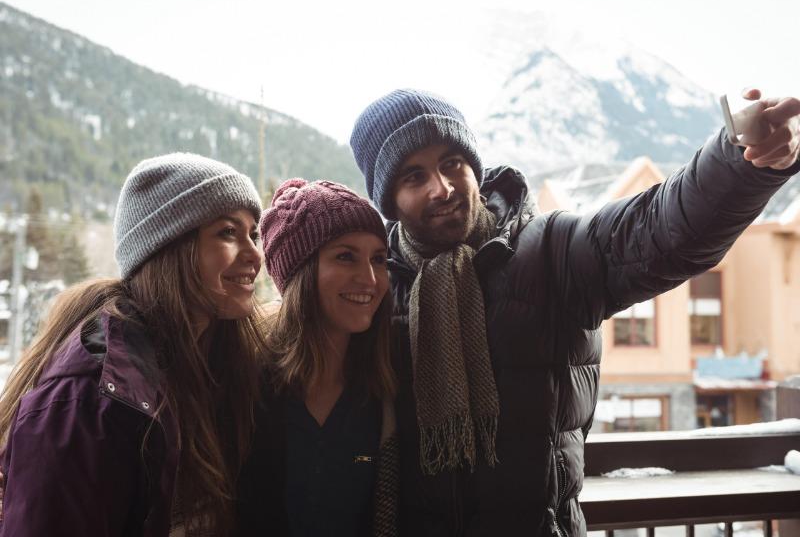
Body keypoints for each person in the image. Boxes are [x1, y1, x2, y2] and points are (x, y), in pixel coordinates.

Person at [348, 87, 800, 536]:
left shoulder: (550, 252)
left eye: (452, 163)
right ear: (389, 200)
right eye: (413, 176)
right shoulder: (373, 289)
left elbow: (658, 228)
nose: (441, 188)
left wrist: (739, 163)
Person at [0, 153, 266, 536]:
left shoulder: (217, 366)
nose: (255, 254)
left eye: (253, 233)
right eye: (228, 232)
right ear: (169, 248)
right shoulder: (87, 400)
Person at [235, 179, 398, 537]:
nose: (370, 278)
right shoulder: (243, 383)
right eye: (345, 256)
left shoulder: (386, 389)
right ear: (301, 273)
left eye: (379, 259)